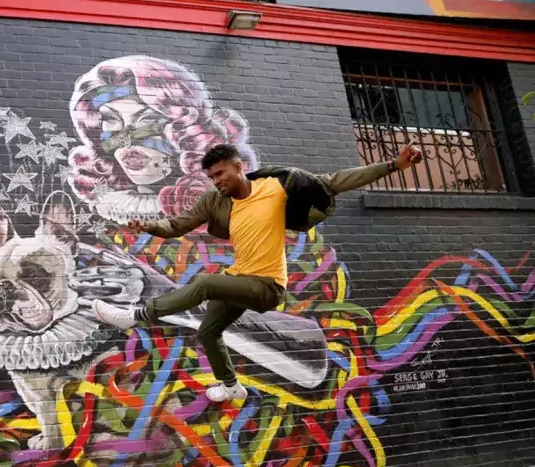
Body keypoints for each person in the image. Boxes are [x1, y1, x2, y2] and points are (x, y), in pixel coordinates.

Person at [91, 143, 424, 402]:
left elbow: (335, 182)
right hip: (240, 279)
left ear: (239, 167)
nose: (217, 182)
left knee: (205, 283)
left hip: (267, 286)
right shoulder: (214, 200)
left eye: (221, 174)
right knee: (208, 331)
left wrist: (394, 165)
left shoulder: (275, 186)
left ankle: (138, 315)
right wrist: (149, 227)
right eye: (211, 177)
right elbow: (177, 225)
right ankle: (231, 386)